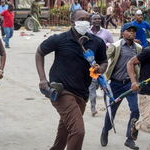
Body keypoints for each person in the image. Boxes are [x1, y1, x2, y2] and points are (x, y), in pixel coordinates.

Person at [35, 9, 107, 150]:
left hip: (82, 93)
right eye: (81, 19)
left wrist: (101, 68)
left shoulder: (96, 42)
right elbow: (39, 52)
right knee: (78, 131)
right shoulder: (60, 39)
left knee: (65, 129)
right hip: (61, 91)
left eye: (87, 19)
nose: (85, 22)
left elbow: (104, 61)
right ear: (72, 21)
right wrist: (43, 79)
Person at [100, 23, 141, 150]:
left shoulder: (138, 48)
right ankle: (106, 130)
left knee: (135, 110)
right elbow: (105, 62)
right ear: (122, 33)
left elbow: (140, 64)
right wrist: (103, 81)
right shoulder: (115, 46)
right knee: (111, 111)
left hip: (130, 84)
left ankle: (130, 139)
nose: (132, 33)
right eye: (129, 31)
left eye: (134, 31)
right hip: (115, 84)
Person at [88, 14, 114, 117]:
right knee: (92, 88)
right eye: (95, 19)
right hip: (91, 65)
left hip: (103, 63)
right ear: (91, 20)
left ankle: (109, 107)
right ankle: (93, 108)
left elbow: (112, 45)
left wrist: (106, 45)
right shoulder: (87, 32)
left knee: (105, 87)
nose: (97, 20)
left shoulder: (106, 33)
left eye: (99, 19)